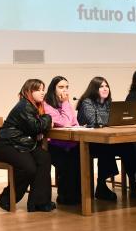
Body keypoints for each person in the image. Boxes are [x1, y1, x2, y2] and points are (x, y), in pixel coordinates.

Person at [0, 79, 56, 212]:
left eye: (43, 89)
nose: (42, 92)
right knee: (28, 168)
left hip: (23, 143)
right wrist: (48, 118)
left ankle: (39, 202)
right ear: (28, 91)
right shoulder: (24, 106)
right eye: (38, 89)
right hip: (7, 144)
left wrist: (41, 126)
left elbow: (36, 127)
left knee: (44, 157)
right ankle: (7, 199)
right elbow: (36, 126)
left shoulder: (34, 106)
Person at [76, 76, 136, 198]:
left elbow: (115, 119)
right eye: (101, 86)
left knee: (128, 145)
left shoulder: (108, 103)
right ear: (94, 89)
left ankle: (132, 182)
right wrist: (112, 120)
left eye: (107, 86)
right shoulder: (87, 102)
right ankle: (101, 185)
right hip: (89, 142)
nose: (105, 89)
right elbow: (96, 121)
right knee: (106, 148)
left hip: (105, 139)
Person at [43, 76, 81, 205]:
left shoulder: (65, 103)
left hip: (70, 144)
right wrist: (65, 103)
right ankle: (65, 196)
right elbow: (65, 123)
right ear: (53, 89)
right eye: (61, 87)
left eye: (66, 87)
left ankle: (79, 195)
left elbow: (74, 123)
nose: (64, 90)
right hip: (54, 145)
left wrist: (66, 104)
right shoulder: (46, 104)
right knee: (67, 164)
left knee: (80, 160)